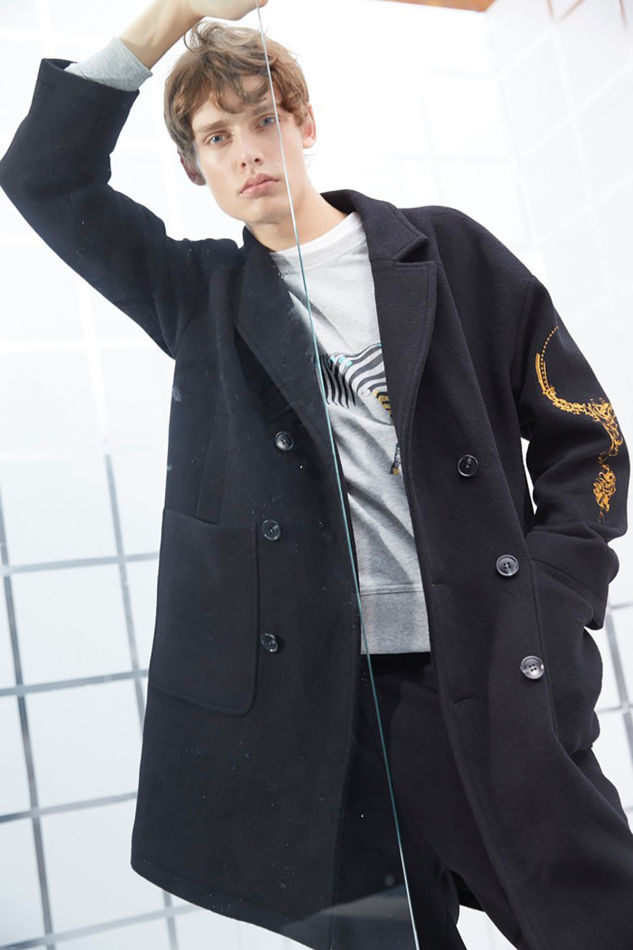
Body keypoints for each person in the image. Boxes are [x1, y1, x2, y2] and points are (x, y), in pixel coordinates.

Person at [2, 1, 633, 948]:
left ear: (302, 123)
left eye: (262, 118)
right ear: (195, 168)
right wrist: (173, 16)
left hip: (491, 669)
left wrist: (551, 590)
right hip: (320, 718)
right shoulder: (201, 297)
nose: (246, 150)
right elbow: (42, 177)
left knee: (596, 919)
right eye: (217, 136)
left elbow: (588, 435)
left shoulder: (448, 252)